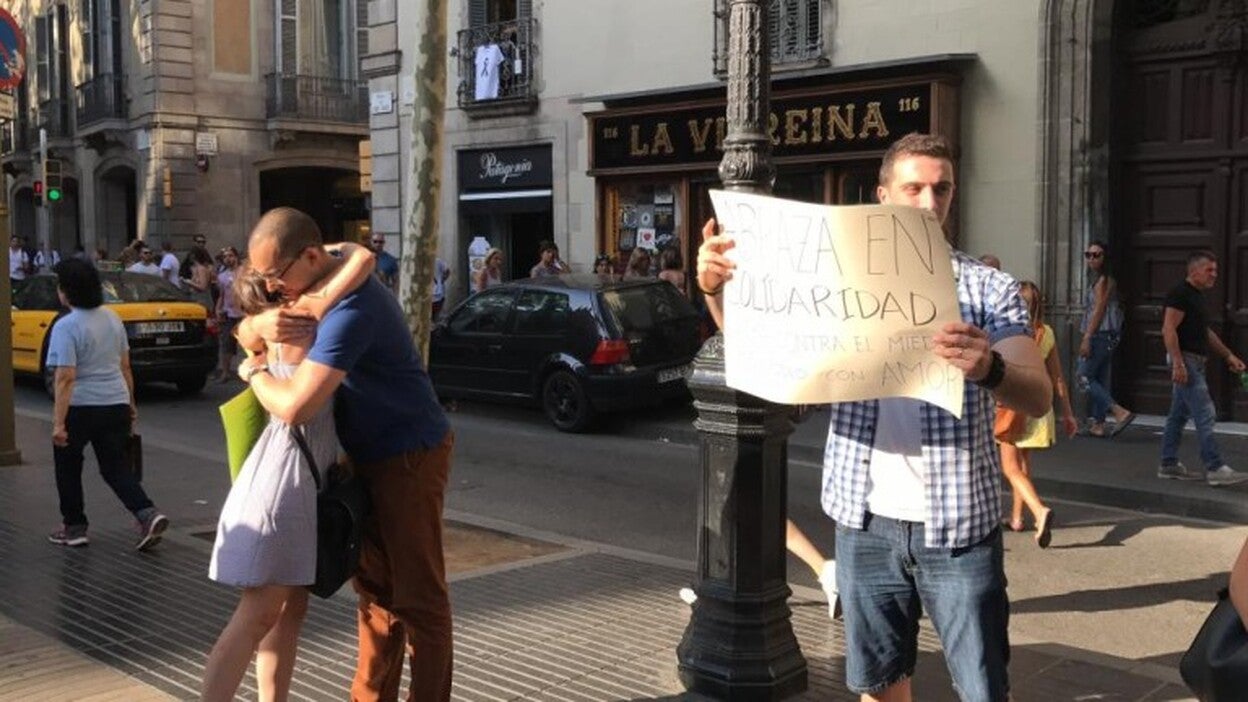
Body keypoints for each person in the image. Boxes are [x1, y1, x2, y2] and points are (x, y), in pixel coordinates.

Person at [696, 132, 1051, 701]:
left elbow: (1036, 396)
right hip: (864, 526)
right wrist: (715, 290)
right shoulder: (838, 282)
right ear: (883, 195)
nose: (928, 203)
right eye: (913, 188)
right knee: (880, 686)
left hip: (959, 527)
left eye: (942, 189)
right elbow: (771, 359)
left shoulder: (988, 289)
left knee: (983, 689)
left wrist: (989, 368)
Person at [235, 207, 454, 701]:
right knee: (376, 597)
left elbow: (295, 407)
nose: (272, 289)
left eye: (274, 276)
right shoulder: (318, 282)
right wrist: (258, 327)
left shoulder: (351, 312)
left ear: (311, 256)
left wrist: (251, 373)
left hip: (409, 457)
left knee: (420, 600)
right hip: (365, 460)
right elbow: (247, 330)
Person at [202, 245, 375, 702]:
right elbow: (361, 260)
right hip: (286, 481)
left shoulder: (271, 328)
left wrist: (251, 342)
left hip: (291, 475)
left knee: (284, 614)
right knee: (258, 615)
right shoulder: (300, 319)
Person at [45, 259, 169, 551]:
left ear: (67, 291)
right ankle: (147, 513)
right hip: (115, 402)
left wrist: (58, 423)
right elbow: (125, 366)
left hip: (79, 406)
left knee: (68, 466)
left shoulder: (66, 326)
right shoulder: (112, 319)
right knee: (114, 467)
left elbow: (65, 377)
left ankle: (74, 527)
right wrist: (131, 404)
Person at [1157, 250, 1248, 486]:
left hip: (1193, 360)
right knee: (1205, 412)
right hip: (1185, 360)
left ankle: (1168, 464)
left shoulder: (1196, 296)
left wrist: (1228, 355)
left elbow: (1204, 332)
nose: (1214, 275)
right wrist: (1178, 363)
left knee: (1178, 415)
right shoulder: (1180, 294)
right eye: (1209, 270)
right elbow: (1169, 329)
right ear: (1194, 270)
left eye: (1215, 270)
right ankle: (1215, 466)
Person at [998, 281, 1077, 548]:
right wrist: (1068, 413)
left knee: (1009, 468)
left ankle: (1038, 510)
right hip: (1038, 407)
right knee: (1023, 465)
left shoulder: (1012, 333)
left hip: (1013, 406)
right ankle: (1017, 517)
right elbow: (1057, 377)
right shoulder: (1048, 333)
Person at [1077, 241, 1135, 438]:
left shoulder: (1105, 281)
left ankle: (1119, 412)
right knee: (1100, 377)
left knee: (1084, 377)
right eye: (1088, 255)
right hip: (1106, 334)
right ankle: (1098, 424)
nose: (1092, 259)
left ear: (1105, 257)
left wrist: (1087, 337)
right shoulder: (1099, 280)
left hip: (1099, 334)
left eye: (1097, 255)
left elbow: (1099, 310)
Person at [214, 247, 244, 382]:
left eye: (231, 256)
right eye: (225, 256)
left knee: (250, 344)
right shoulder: (222, 276)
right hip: (229, 314)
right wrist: (218, 309)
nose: (228, 259)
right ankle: (225, 373)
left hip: (244, 314)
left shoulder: (244, 273)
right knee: (226, 344)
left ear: (236, 257)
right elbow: (221, 295)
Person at [182, 246, 217, 313]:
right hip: (196, 300)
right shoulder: (195, 269)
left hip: (203, 301)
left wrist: (189, 282)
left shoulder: (202, 269)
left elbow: (203, 287)